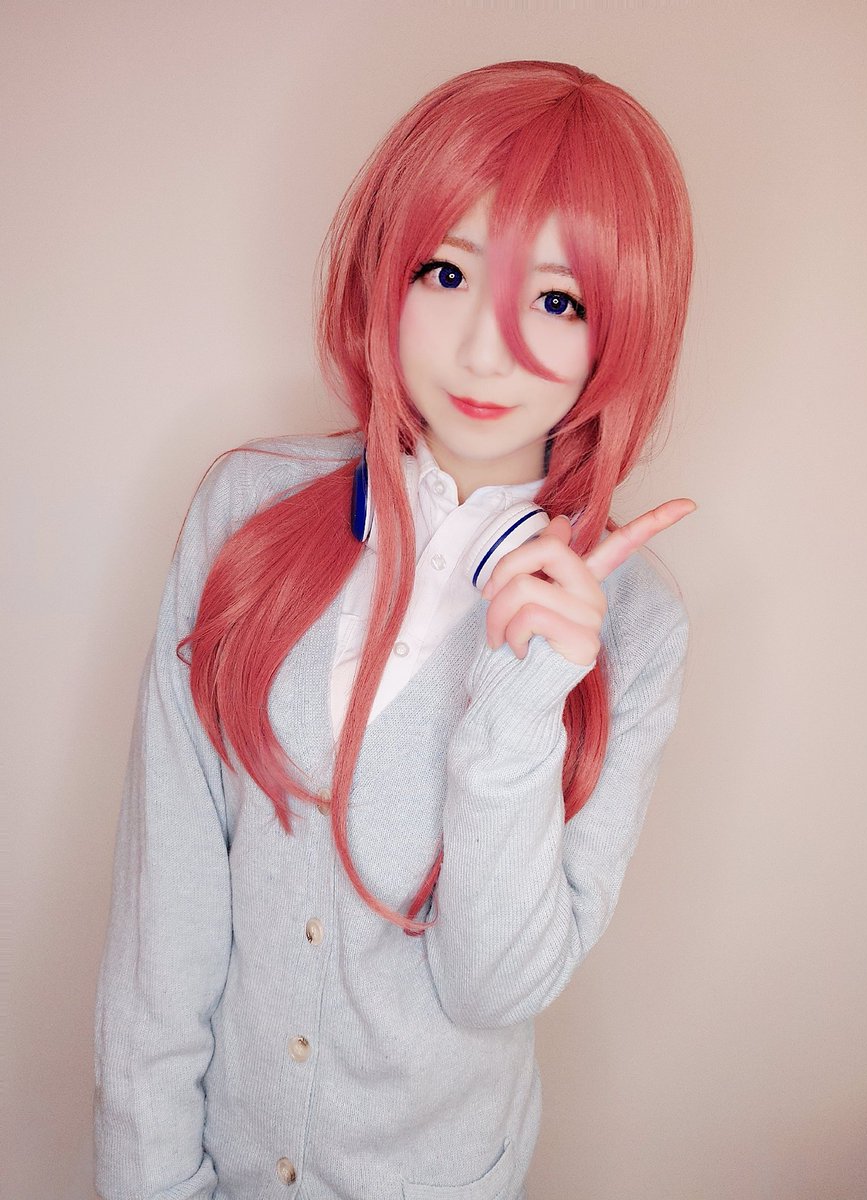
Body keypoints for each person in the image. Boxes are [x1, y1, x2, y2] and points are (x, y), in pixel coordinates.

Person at [93, 59, 697, 1200]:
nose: (485, 349)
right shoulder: (246, 510)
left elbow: (493, 986)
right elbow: (161, 914)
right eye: (447, 272)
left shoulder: (637, 623)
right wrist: (150, 1178)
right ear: (388, 268)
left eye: (556, 301)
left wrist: (523, 698)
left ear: (620, 328)